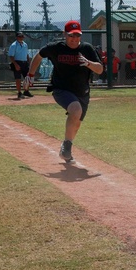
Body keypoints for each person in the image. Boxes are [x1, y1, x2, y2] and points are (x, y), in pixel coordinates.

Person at [23, 20, 103, 163]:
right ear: (64, 34)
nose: (74, 39)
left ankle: (66, 149)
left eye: (77, 36)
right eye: (71, 35)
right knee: (75, 109)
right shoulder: (56, 48)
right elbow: (39, 56)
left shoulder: (87, 49)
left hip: (82, 92)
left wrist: (89, 63)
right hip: (61, 89)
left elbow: (100, 69)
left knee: (77, 123)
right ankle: (67, 146)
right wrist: (30, 75)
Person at [8, 31, 33, 99]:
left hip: (25, 63)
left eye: (22, 36)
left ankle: (26, 91)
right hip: (17, 62)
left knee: (27, 78)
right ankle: (19, 92)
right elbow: (11, 56)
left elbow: (27, 54)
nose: (21, 38)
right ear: (16, 37)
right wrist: (15, 65)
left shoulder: (25, 44)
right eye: (20, 36)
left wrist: (29, 62)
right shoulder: (14, 45)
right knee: (18, 78)